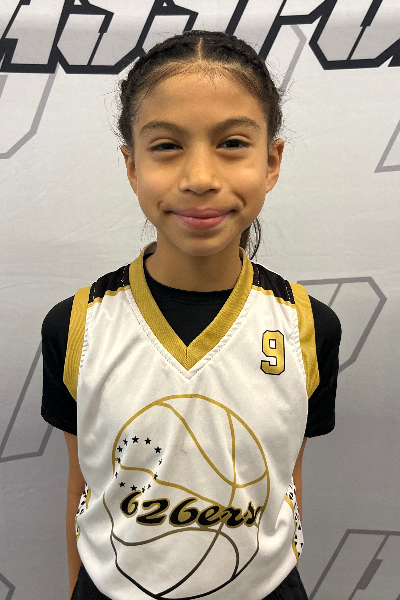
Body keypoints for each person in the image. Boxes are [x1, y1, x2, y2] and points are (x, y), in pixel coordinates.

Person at [41, 30, 341, 600]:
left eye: (232, 143)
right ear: (132, 165)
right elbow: (84, 488)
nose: (200, 177)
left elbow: (284, 481)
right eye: (166, 146)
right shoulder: (77, 324)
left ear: (271, 161)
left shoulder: (308, 325)